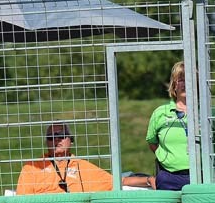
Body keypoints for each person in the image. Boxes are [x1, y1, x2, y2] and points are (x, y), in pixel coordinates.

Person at [16, 122, 153, 195]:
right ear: (46, 142)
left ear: (71, 140)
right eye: (51, 137)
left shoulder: (83, 167)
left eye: (61, 136)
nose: (56, 140)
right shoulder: (32, 168)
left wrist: (149, 180)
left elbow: (119, 181)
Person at [147, 61, 190, 191]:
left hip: (201, 176)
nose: (185, 84)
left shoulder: (206, 114)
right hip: (168, 178)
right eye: (181, 79)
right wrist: (167, 159)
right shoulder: (160, 113)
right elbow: (152, 142)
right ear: (174, 85)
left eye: (190, 79)